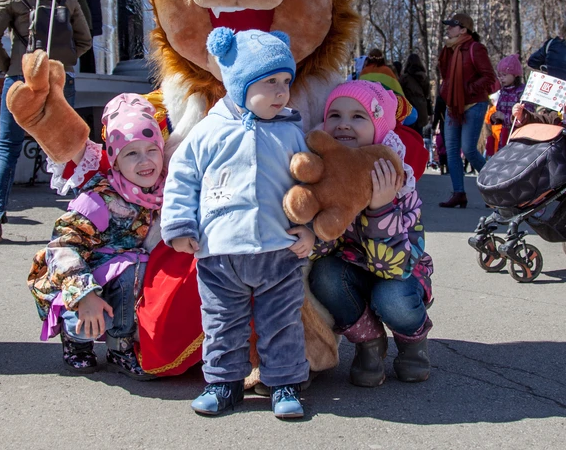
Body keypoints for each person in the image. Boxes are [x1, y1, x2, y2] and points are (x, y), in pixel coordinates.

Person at [161, 28, 312, 419]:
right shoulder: (209, 131)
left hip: (279, 251)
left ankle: (283, 384)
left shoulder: (292, 132)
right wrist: (180, 226)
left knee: (281, 323)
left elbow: (310, 186)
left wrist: (310, 229)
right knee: (222, 323)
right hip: (220, 252)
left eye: (286, 82)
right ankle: (223, 384)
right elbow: (182, 178)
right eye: (269, 82)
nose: (282, 92)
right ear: (240, 84)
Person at [29, 93, 164, 379]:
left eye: (151, 150)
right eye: (131, 153)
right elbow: (61, 247)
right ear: (114, 162)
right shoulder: (100, 199)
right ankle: (76, 340)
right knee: (113, 286)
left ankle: (120, 345)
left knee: (136, 270)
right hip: (79, 276)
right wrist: (85, 294)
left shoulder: (159, 193)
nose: (145, 161)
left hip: (124, 274)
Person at [309, 80, 433, 388]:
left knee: (391, 296)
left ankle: (412, 341)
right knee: (324, 274)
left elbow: (392, 267)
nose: (344, 125)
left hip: (398, 274)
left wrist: (380, 208)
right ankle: (369, 342)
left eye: (358, 117)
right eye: (335, 116)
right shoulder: (325, 173)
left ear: (379, 128)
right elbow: (320, 252)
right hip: (352, 273)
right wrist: (329, 209)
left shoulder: (399, 181)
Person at [0, 0, 92, 243]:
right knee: (69, 149)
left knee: (7, 148)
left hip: (21, 79)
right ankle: (85, 220)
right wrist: (60, 63)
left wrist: (11, 67)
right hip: (59, 78)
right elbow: (84, 40)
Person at [437, 12, 497, 208]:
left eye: (452, 25)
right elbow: (446, 76)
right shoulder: (449, 49)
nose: (448, 29)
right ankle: (459, 193)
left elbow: (489, 77)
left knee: (469, 149)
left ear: (463, 29)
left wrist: (467, 90)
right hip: (453, 106)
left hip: (473, 104)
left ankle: (496, 189)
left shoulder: (475, 48)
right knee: (452, 150)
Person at [70, 0, 103, 73]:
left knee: (85, 47)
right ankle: (88, 71)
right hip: (91, 13)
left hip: (87, 13)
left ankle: (87, 72)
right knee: (87, 46)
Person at [489, 54, 526, 150]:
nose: (501, 78)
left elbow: (526, 116)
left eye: (504, 75)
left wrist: (505, 117)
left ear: (515, 74)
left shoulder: (522, 92)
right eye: (499, 75)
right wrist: (495, 118)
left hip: (519, 135)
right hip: (504, 134)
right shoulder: (502, 91)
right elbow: (499, 110)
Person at [399, 53, 430, 134]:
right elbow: (427, 94)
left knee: (408, 136)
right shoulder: (424, 78)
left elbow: (399, 93)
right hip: (422, 110)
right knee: (419, 136)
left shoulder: (405, 78)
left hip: (409, 109)